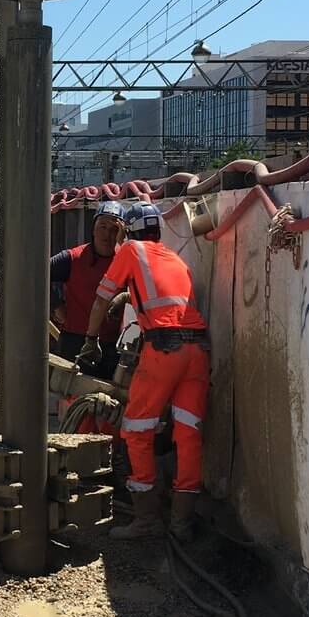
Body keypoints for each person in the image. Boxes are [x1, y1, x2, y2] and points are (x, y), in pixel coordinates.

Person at [75, 202, 208, 541]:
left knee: (136, 429)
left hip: (163, 351)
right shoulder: (176, 259)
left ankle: (146, 518)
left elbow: (102, 297)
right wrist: (130, 299)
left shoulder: (131, 250)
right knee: (188, 433)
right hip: (197, 351)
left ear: (127, 231)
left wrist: (90, 340)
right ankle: (183, 522)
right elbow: (165, 299)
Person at [49, 201, 126, 378]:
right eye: (102, 227)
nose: (107, 235)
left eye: (114, 229)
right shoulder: (73, 258)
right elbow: (38, 275)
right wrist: (56, 304)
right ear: (93, 228)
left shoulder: (127, 262)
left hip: (111, 346)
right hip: (75, 342)